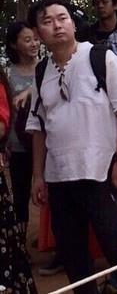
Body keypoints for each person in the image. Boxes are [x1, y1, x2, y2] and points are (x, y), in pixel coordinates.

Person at [25, 0, 117, 294]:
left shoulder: (101, 57)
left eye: (62, 18)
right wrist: (39, 176)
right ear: (38, 31)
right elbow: (38, 128)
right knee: (72, 253)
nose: (57, 25)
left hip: (101, 171)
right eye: (47, 21)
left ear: (73, 22)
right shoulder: (42, 72)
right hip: (59, 177)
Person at [4, 22, 39, 248]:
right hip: (17, 144)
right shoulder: (6, 73)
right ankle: (21, 243)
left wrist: (30, 90)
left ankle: (54, 241)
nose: (34, 43)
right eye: (27, 40)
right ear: (14, 45)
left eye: (35, 38)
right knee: (20, 195)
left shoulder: (47, 66)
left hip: (47, 143)